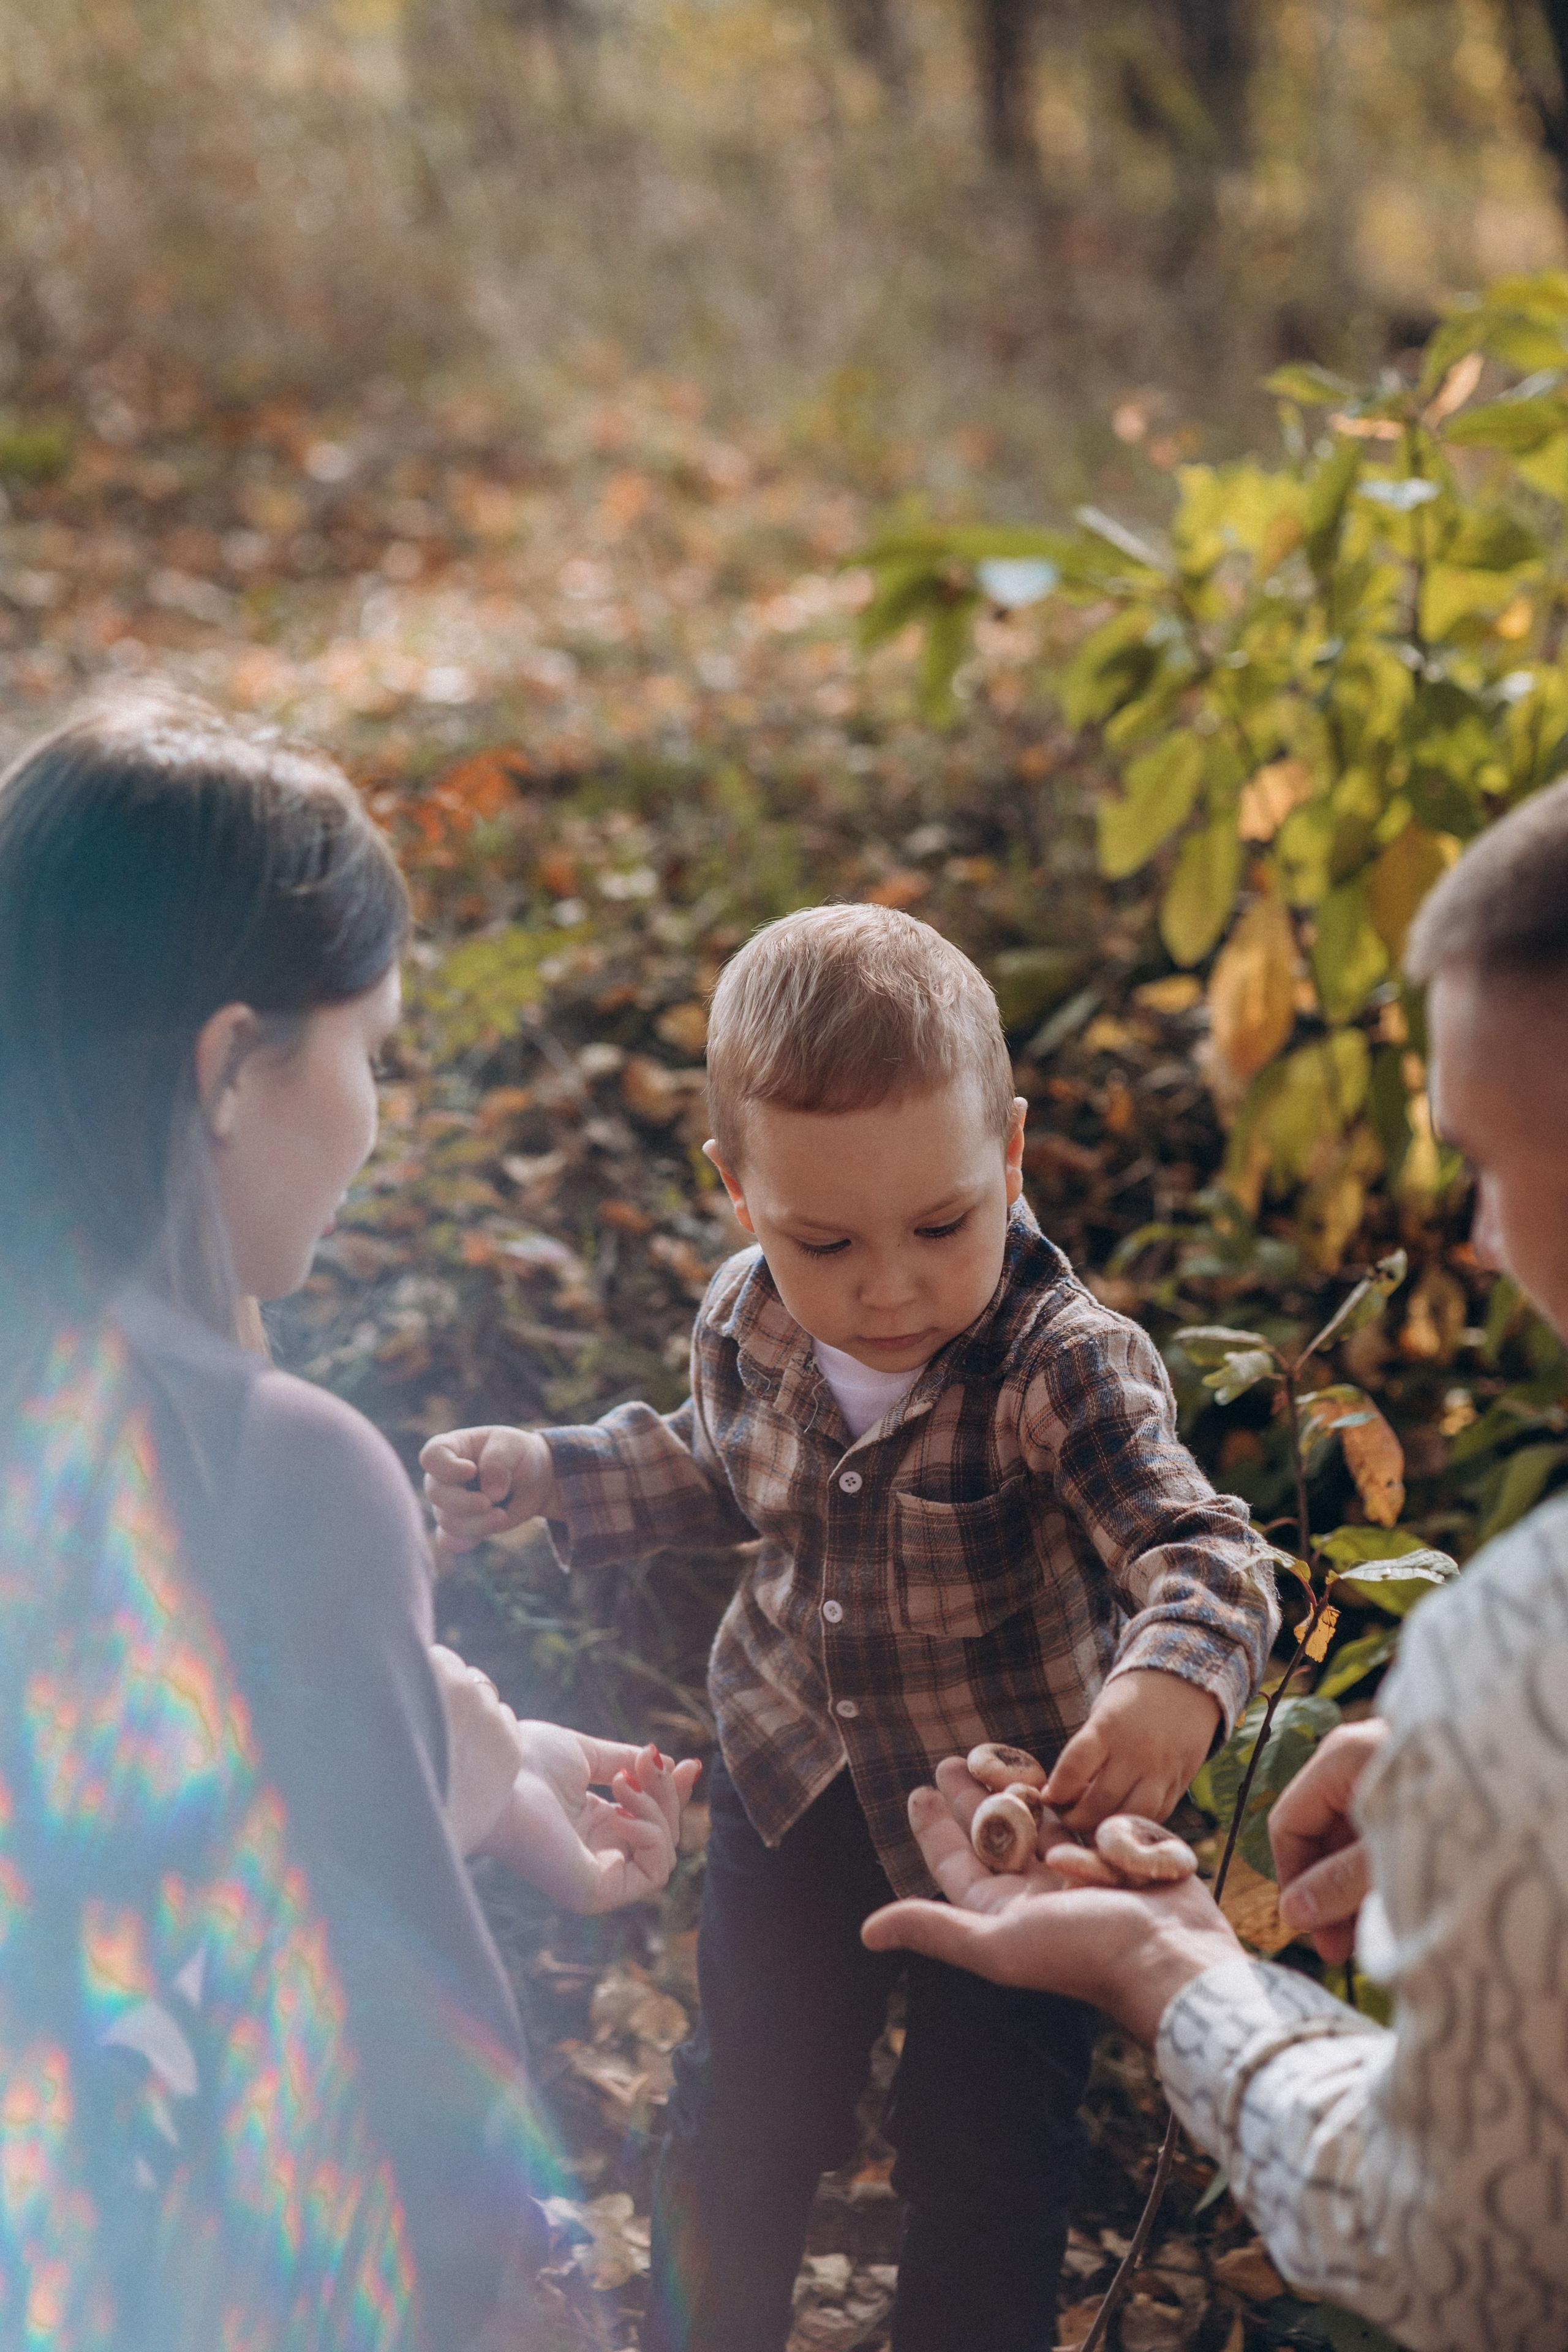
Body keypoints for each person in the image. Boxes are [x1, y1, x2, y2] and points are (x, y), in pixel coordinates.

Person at [422, 903, 1281, 2352]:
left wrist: (1171, 1681)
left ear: (1007, 1153)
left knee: (985, 2146)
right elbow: (715, 1462)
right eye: (824, 1239)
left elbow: (1199, 1545)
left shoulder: (1057, 1366)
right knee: (749, 2101)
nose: (887, 1285)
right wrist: (551, 1468)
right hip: (791, 1774)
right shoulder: (749, 1319)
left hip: (1005, 1822)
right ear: (738, 1194)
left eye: (941, 1223)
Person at [0, 688, 696, 2351]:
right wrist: (546, 2292)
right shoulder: (270, 1466)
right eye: (371, 1049)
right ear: (234, 1061)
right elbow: (403, 2109)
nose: (377, 1120)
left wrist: (436, 1763)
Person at [861, 782, 1568, 2352]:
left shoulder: (1528, 1651)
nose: (1473, 1235)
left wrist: (1173, 1971)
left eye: (1488, 1166)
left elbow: (1461, 2251)